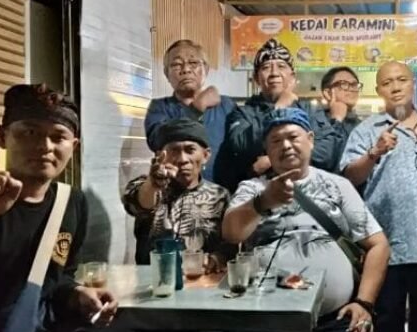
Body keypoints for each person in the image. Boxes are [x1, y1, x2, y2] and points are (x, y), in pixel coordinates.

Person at [0, 84, 117, 332]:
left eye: (58, 137)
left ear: (74, 147)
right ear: (3, 137)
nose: (45, 146)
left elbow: (57, 278)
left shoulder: (71, 202)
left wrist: (77, 294)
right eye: (30, 132)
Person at [222, 108, 390, 332]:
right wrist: (263, 201)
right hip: (264, 315)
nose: (286, 145)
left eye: (293, 137)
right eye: (276, 141)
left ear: (310, 140)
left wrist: (364, 302)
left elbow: (378, 245)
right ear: (266, 150)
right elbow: (231, 233)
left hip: (335, 315)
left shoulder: (338, 185)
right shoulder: (252, 188)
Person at [340, 61, 417, 332]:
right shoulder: (366, 130)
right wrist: (374, 152)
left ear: (413, 83)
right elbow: (350, 177)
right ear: (379, 90)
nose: (396, 86)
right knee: (386, 331)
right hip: (387, 247)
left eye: (401, 79)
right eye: (387, 82)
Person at [140, 39, 236, 263]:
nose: (185, 69)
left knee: (218, 260)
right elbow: (156, 139)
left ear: (206, 69)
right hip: (173, 203)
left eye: (193, 62)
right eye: (176, 64)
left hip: (219, 201)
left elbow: (240, 145)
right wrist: (196, 108)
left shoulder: (226, 105)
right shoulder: (159, 107)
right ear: (167, 74)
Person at [215, 38, 341, 192]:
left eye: (281, 66)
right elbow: (240, 146)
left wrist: (271, 160)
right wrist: (279, 108)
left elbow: (327, 153)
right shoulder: (242, 113)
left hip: (308, 192)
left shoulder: (310, 110)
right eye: (266, 67)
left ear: (292, 76)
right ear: (256, 78)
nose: (274, 73)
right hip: (261, 193)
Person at [124, 118, 232, 272]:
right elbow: (138, 204)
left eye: (190, 150)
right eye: (174, 150)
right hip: (154, 279)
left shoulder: (220, 195)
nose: (182, 159)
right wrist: (153, 185)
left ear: (206, 155)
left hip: (202, 279)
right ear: (160, 155)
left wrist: (216, 259)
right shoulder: (146, 186)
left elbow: (230, 243)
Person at [311, 66, 363, 172]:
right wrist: (337, 120)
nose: (351, 89)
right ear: (327, 93)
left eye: (354, 84)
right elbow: (320, 160)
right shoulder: (313, 121)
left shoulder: (362, 126)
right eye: (343, 84)